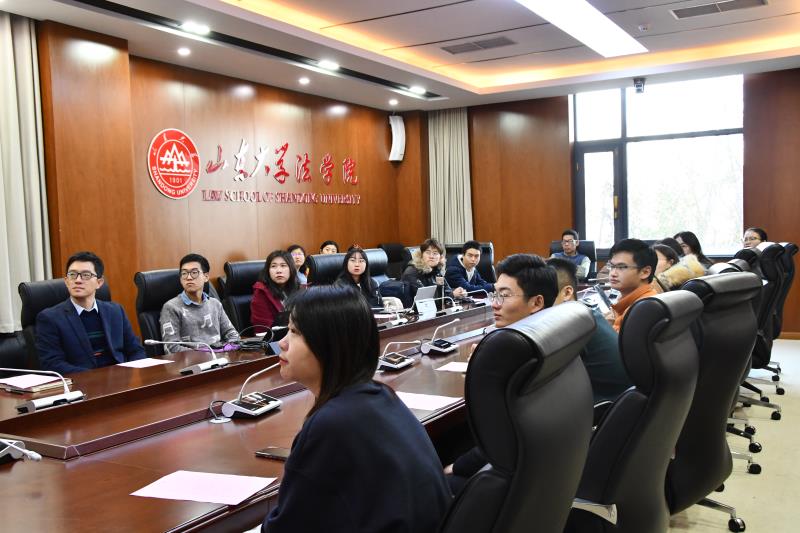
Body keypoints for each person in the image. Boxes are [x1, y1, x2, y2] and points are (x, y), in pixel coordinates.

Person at [261, 286, 451, 533]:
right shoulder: (381, 395)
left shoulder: (331, 424)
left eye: (294, 332)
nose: (282, 343)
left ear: (330, 344)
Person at [446, 253, 558, 494]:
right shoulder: (556, 336)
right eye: (494, 294)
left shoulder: (517, 352)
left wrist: (455, 467)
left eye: (504, 296)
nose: (494, 304)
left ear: (537, 302)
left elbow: (502, 438)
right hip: (543, 472)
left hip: (515, 484)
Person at [35, 251, 145, 374]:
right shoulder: (50, 318)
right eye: (72, 275)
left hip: (120, 379)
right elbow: (52, 364)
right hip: (81, 382)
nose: (78, 280)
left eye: (86, 275)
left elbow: (136, 350)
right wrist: (95, 378)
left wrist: (130, 374)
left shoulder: (115, 311)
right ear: (66, 281)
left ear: (99, 282)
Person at [548, 257, 631, 403]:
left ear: (567, 293)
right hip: (623, 401)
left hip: (606, 407)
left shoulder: (570, 322)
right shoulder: (588, 314)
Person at [159, 253, 239, 354]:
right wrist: (208, 354)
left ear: (206, 277)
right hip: (192, 361)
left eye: (194, 273)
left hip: (219, 358)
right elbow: (171, 348)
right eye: (184, 273)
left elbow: (233, 335)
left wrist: (224, 350)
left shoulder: (215, 304)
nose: (189, 277)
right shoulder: (171, 307)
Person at [604, 239, 658, 332]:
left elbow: (617, 341)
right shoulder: (644, 298)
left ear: (645, 272)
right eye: (612, 266)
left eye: (622, 267)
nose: (613, 273)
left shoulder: (641, 310)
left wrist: (604, 327)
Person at [250, 250, 300, 333]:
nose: (278, 270)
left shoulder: (298, 288)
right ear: (268, 271)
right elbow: (262, 330)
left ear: (291, 268)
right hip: (275, 338)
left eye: (283, 265)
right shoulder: (261, 293)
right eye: (273, 266)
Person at [402, 238, 466, 300]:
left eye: (435, 253)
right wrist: (452, 294)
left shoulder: (436, 270)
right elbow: (425, 298)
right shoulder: (411, 273)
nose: (431, 256)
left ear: (440, 257)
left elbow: (446, 290)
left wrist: (458, 293)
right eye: (428, 252)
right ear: (421, 255)